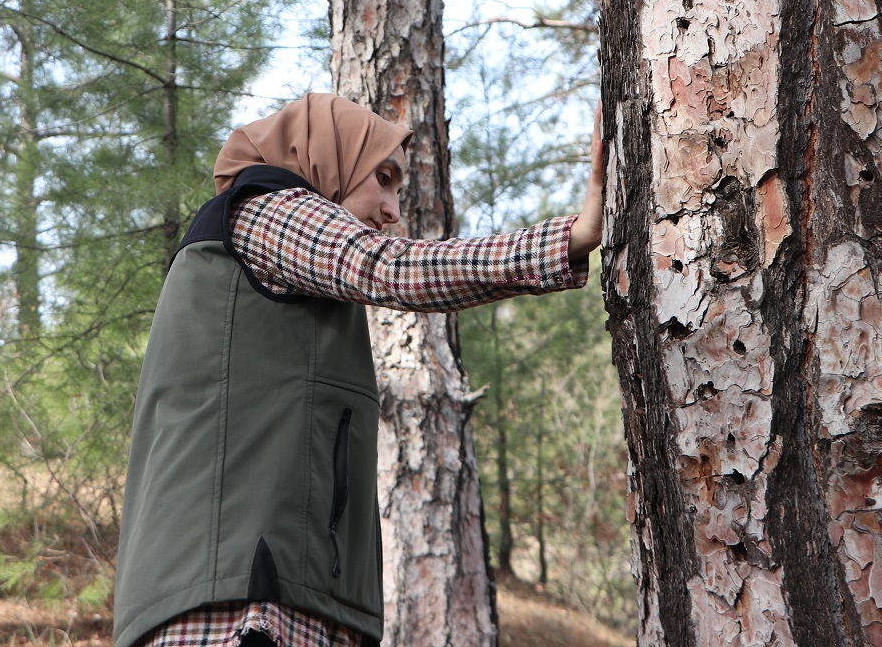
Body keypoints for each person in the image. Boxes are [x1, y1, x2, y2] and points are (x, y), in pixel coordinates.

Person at [113, 92, 604, 647]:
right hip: (243, 603)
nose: (394, 210)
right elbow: (388, 268)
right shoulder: (267, 208)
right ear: (328, 156)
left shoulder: (288, 270)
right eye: (385, 178)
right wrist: (569, 240)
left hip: (275, 596)